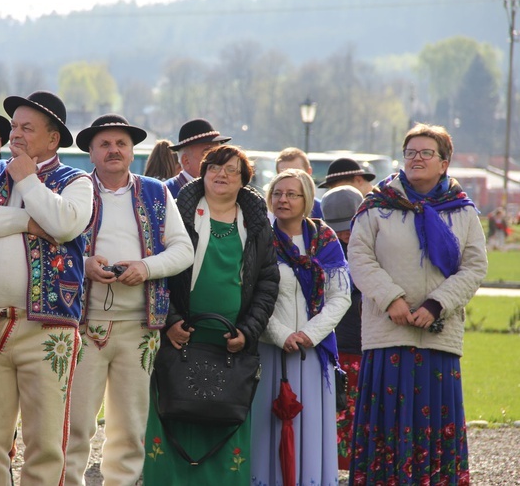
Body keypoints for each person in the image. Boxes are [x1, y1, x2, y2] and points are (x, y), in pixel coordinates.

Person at [0, 90, 94, 486]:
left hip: (48, 329)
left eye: (27, 128)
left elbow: (64, 224)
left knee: (45, 443)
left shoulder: (76, 181)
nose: (15, 134)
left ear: (53, 139)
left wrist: (28, 181)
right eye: (14, 126)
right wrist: (26, 221)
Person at [347, 123, 487, 484]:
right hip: (387, 333)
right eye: (411, 152)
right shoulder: (377, 206)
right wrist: (390, 298)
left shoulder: (462, 211)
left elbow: (474, 267)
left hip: (437, 337)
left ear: (444, 163)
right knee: (387, 421)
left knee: (433, 423)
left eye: (427, 153)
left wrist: (437, 305)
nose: (417, 159)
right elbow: (359, 258)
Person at [64, 114, 194, 486]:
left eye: (120, 143)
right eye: (104, 144)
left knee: (131, 427)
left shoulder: (155, 191)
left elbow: (183, 249)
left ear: (132, 150)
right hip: (83, 324)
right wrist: (82, 264)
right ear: (90, 153)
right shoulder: (73, 190)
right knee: (75, 423)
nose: (114, 150)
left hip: (139, 325)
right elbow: (49, 247)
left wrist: (146, 267)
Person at [142, 144, 279, 485]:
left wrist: (248, 331)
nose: (222, 175)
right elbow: (161, 271)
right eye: (215, 167)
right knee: (173, 419)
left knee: (224, 424)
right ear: (203, 173)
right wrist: (171, 321)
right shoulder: (179, 214)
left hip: (231, 344)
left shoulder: (257, 224)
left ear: (244, 180)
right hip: (180, 340)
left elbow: (267, 282)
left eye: (232, 170)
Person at [251, 168, 351, 486]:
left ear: (306, 198)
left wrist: (309, 334)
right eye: (278, 193)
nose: (283, 200)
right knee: (267, 427)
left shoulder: (324, 239)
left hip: (313, 353)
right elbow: (249, 296)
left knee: (310, 426)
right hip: (269, 352)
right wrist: (281, 334)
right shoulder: (259, 238)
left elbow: (341, 296)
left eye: (292, 194)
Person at [319, 184, 364, 471]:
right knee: (336, 411)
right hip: (337, 344)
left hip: (364, 344)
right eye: (338, 228)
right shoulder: (325, 247)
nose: (344, 234)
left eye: (348, 227)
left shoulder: (372, 246)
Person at [165, 118, 231, 198]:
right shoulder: (166, 193)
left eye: (219, 152)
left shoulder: (228, 190)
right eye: (207, 153)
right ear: (186, 161)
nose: (217, 159)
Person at [275, 147, 324, 218]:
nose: (290, 181)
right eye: (284, 175)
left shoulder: (322, 211)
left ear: (309, 172)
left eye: (297, 174)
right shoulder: (267, 213)